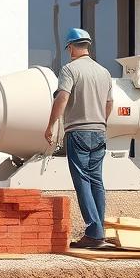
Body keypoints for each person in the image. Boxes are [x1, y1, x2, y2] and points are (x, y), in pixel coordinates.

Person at [43, 28, 113, 249]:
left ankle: (94, 233)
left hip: (78, 132)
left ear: (71, 47)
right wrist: (100, 120)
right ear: (87, 45)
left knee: (82, 180)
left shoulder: (69, 70)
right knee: (96, 181)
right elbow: (109, 103)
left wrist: (51, 124)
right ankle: (98, 229)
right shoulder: (104, 72)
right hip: (99, 131)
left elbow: (62, 98)